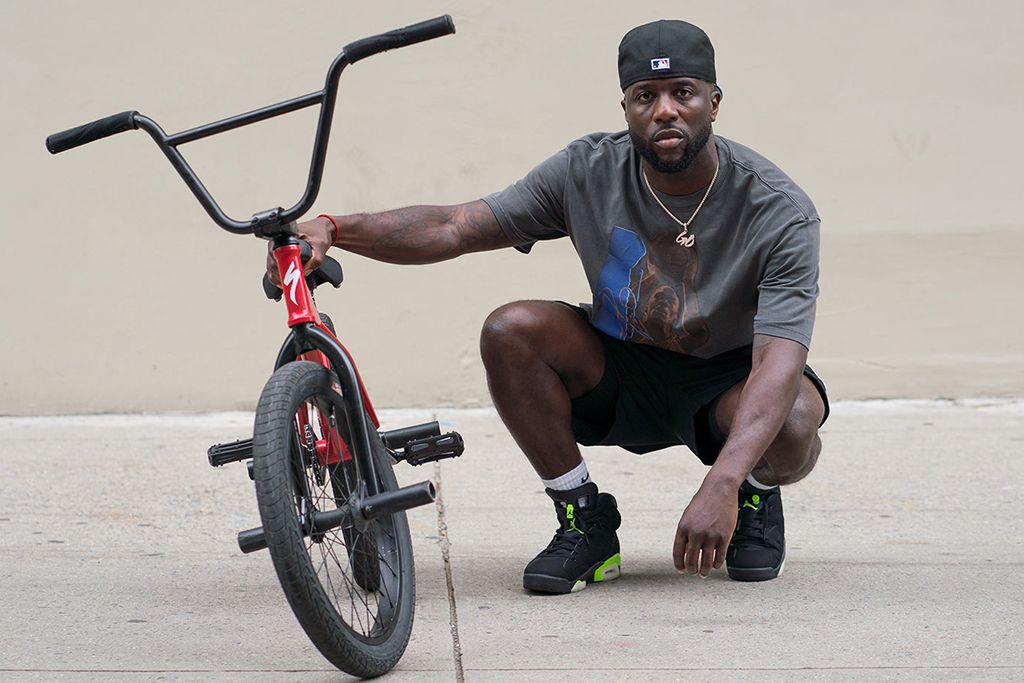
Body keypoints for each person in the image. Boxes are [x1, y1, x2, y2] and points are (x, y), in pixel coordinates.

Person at [269, 19, 828, 593]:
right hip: (621, 366)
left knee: (793, 421)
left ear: (713, 101)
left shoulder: (778, 210)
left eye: (682, 93)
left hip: (727, 381)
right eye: (645, 96)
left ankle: (757, 497)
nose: (664, 110)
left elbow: (780, 362)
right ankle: (583, 519)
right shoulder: (586, 171)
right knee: (512, 330)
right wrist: (334, 228)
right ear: (627, 108)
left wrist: (725, 482)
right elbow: (454, 226)